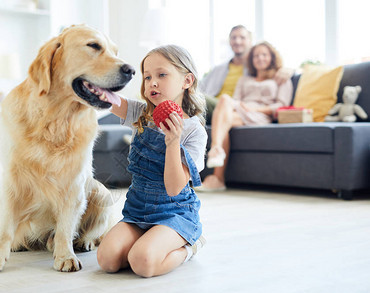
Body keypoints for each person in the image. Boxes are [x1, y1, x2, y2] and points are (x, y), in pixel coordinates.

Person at [97, 45, 208, 278]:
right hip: (138, 211)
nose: (152, 83)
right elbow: (106, 98)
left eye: (162, 75)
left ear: (187, 80)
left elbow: (174, 187)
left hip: (174, 213)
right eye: (147, 77)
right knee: (107, 260)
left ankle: (189, 247)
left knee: (142, 263)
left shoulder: (194, 132)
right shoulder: (141, 115)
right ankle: (148, 241)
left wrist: (172, 142)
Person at [196, 41, 293, 192]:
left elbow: (281, 105)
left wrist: (257, 108)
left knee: (223, 112)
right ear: (252, 60)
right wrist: (240, 106)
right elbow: (235, 100)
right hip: (241, 111)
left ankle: (216, 154)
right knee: (224, 112)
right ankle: (217, 177)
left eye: (264, 54)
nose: (260, 58)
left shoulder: (280, 78)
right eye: (256, 56)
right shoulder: (244, 79)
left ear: (272, 57)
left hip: (261, 115)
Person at [200, 25, 293, 124]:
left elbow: (275, 68)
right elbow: (199, 87)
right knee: (194, 97)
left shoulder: (254, 68)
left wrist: (289, 70)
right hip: (221, 105)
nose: (237, 41)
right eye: (233, 38)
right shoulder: (218, 69)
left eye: (242, 37)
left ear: (250, 42)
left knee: (222, 101)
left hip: (233, 107)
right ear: (229, 41)